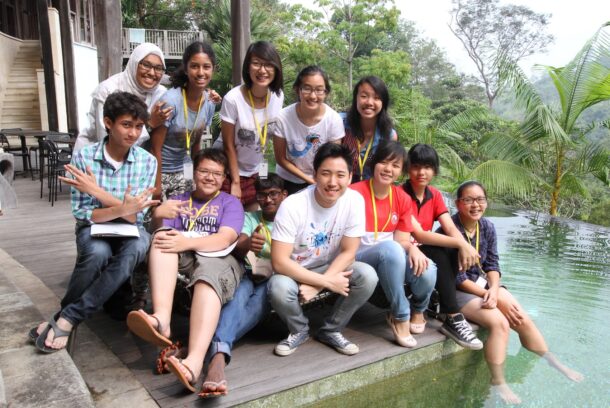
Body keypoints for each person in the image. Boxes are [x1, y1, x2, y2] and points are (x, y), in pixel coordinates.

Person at [29, 92, 158, 352]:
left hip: (131, 230)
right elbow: (83, 213)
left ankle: (67, 316)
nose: (133, 133)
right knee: (98, 253)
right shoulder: (84, 158)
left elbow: (135, 216)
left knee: (136, 246)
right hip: (93, 228)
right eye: (126, 125)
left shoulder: (147, 161)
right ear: (108, 122)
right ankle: (68, 317)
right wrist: (122, 207)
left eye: (138, 126)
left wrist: (96, 192)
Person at [449, 181, 583, 404]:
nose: (475, 205)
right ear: (458, 203)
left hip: (483, 285)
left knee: (519, 315)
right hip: (455, 290)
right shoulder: (450, 230)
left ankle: (551, 359)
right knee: (500, 323)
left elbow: (492, 264)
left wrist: (494, 289)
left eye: (480, 199)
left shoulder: (487, 227)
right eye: (468, 200)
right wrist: (486, 294)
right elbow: (457, 279)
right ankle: (498, 381)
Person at [126, 148, 245, 394]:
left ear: (224, 178)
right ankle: (162, 319)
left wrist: (186, 243)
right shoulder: (179, 200)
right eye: (204, 171)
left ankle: (194, 363)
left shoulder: (230, 203)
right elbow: (163, 232)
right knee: (161, 237)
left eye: (217, 173)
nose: (210, 177)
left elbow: (224, 239)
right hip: (186, 256)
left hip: (219, 258)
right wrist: (157, 217)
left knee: (208, 276)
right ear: (194, 172)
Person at [268, 143, 378, 356]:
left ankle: (331, 329)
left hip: (330, 266)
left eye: (340, 175)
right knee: (278, 287)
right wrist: (326, 282)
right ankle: (299, 330)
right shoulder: (293, 205)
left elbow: (349, 252)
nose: (333, 182)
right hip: (295, 271)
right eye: (326, 173)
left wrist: (318, 284)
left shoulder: (354, 201)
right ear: (315, 175)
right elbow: (279, 262)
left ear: (350, 177)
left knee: (367, 276)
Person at [201, 173, 288, 398]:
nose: (268, 200)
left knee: (257, 305)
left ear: (284, 195)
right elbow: (239, 243)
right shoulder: (251, 217)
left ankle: (212, 355)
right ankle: (216, 355)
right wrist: (249, 243)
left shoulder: (292, 219)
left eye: (273, 194)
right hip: (249, 272)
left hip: (277, 277)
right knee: (237, 298)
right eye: (262, 195)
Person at [350, 141, 437, 348]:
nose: (388, 169)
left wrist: (413, 248)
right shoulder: (354, 193)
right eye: (384, 162)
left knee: (428, 268)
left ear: (401, 171)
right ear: (374, 163)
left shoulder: (402, 198)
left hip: (392, 257)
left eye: (395, 165)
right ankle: (400, 315)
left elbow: (401, 240)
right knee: (390, 249)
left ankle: (419, 308)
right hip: (358, 256)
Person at [403, 143, 483, 350]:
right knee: (444, 248)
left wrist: (463, 245)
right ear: (408, 168)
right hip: (402, 250)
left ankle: (446, 307)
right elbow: (419, 234)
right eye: (416, 166)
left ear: (435, 170)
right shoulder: (400, 194)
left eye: (427, 167)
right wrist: (460, 243)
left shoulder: (435, 195)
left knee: (452, 246)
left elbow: (450, 227)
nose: (421, 172)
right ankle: (453, 316)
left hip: (422, 254)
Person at [214, 41, 284, 209]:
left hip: (256, 171)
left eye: (268, 64)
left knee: (254, 219)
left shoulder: (278, 96)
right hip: (229, 171)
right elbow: (228, 144)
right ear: (247, 67)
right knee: (230, 217)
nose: (262, 70)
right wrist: (235, 182)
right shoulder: (233, 99)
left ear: (276, 68)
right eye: (256, 63)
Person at [151, 41, 220, 201]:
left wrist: (198, 176)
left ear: (213, 69)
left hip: (187, 170)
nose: (201, 72)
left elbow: (196, 144)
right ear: (186, 69)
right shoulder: (171, 101)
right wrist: (157, 185)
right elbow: (155, 149)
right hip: (162, 171)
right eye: (194, 66)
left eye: (206, 67)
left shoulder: (210, 102)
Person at [74, 43, 171, 152]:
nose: (152, 73)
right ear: (134, 63)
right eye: (146, 65)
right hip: (94, 156)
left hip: (137, 159)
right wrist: (150, 124)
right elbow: (108, 141)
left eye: (158, 68)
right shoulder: (108, 90)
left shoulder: (161, 93)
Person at [273, 66, 344, 195]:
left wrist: (319, 180)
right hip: (287, 179)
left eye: (319, 90)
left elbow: (333, 158)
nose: (313, 96)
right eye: (307, 88)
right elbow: (281, 159)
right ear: (297, 89)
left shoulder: (333, 120)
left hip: (321, 178)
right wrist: (310, 180)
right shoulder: (283, 117)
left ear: (326, 92)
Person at [342, 76, 398, 183]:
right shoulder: (340, 123)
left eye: (376, 98)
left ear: (383, 102)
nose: (369, 102)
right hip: (340, 185)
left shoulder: (389, 136)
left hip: (370, 188)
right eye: (364, 96)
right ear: (356, 98)